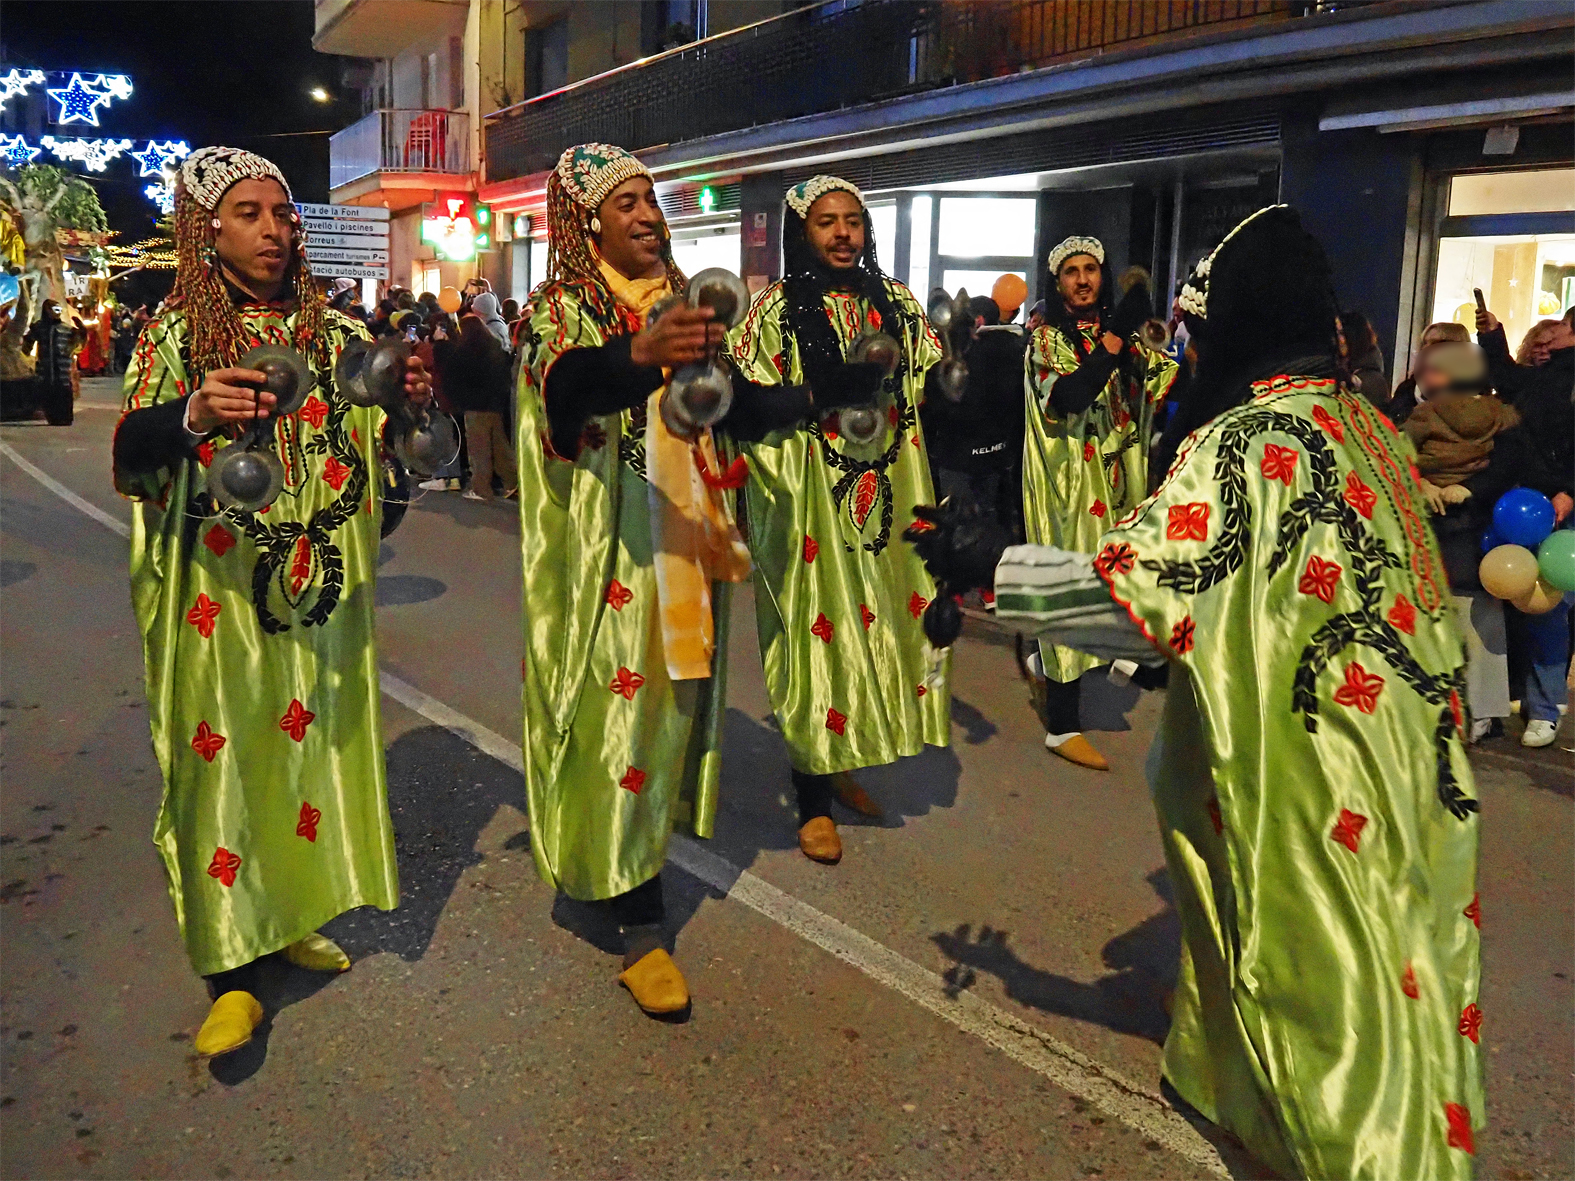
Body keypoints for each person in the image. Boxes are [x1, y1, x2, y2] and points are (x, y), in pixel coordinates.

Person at [908, 205, 1483, 1181]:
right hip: (1416, 761)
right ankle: (1234, 1081)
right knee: (1403, 961)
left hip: (1310, 775)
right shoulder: (1367, 430)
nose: (1192, 346)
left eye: (1204, 330)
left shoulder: (1247, 443)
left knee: (1335, 1010)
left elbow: (1139, 602)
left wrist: (989, 563)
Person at [109, 146, 431, 1061]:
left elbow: (382, 470)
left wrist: (403, 401)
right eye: (250, 214)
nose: (274, 231)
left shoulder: (332, 335)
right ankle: (231, 971)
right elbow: (131, 454)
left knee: (303, 759)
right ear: (207, 229)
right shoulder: (174, 333)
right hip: (217, 600)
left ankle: (287, 912)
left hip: (316, 591)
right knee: (224, 767)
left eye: (284, 215)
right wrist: (191, 416)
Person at [514, 143, 756, 1016]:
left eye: (652, 200)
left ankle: (623, 865)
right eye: (627, 204)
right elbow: (567, 389)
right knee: (615, 715)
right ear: (587, 222)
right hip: (608, 553)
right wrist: (636, 354)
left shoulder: (685, 300)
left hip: (687, 545)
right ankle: (640, 923)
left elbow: (734, 405)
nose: (650, 215)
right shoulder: (558, 309)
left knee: (665, 721)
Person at [725, 174, 951, 865]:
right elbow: (745, 409)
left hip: (890, 499)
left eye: (852, 220)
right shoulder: (772, 313)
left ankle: (842, 754)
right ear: (803, 232)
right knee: (816, 638)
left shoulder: (900, 307)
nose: (843, 233)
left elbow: (934, 394)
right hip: (811, 504)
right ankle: (812, 796)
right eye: (827, 222)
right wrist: (818, 395)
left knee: (882, 625)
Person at [1020, 237, 1178, 769]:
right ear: (1056, 282)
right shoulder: (1045, 340)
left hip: (1116, 481)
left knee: (1126, 576)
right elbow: (1069, 396)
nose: (1083, 280)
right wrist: (1115, 342)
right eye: (1071, 272)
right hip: (1069, 486)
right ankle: (1062, 726)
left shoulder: (1123, 335)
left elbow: (1166, 383)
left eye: (1091, 270)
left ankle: (1130, 659)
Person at [1475, 299, 1574, 749]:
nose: (1552, 336)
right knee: (1531, 605)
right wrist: (1494, 335)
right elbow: (1511, 381)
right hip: (1527, 504)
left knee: (1551, 604)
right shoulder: (1547, 376)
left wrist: (1569, 490)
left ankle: (1546, 707)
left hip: (1560, 504)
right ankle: (1527, 699)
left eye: (1564, 328)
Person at [920, 293, 1026, 565]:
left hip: (958, 460)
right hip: (995, 459)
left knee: (958, 532)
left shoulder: (961, 360)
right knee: (990, 531)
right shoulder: (1013, 351)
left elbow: (937, 410)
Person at [435, 312, 516, 501]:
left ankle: (481, 488)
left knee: (478, 450)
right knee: (499, 447)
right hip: (495, 405)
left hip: (474, 406)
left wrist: (441, 345)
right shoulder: (495, 347)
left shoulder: (464, 351)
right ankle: (512, 483)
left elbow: (451, 374)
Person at [1388, 321, 1469, 424]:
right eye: (1425, 343)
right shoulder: (1407, 388)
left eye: (1436, 343)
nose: (1426, 348)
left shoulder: (1469, 394)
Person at [21, 298, 82, 425]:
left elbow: (78, 344)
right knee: (48, 394)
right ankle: (53, 418)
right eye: (54, 310)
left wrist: (80, 333)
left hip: (62, 370)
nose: (57, 313)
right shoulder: (39, 327)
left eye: (59, 310)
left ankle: (65, 418)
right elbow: (27, 344)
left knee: (64, 394)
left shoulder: (66, 329)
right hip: (45, 369)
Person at [1338, 309, 1389, 407]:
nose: (1335, 339)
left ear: (1353, 336)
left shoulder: (1371, 382)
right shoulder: (1349, 370)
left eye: (1340, 333)